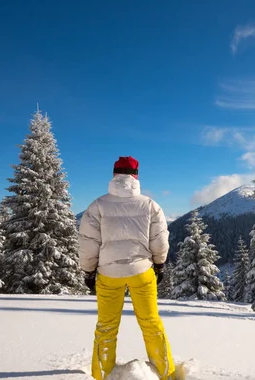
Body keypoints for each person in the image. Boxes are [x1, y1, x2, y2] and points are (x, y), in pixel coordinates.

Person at [78, 156, 175, 380]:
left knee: (106, 326)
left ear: (114, 174)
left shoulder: (97, 206)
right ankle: (164, 371)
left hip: (108, 273)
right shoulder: (150, 205)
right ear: (136, 175)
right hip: (141, 272)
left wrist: (89, 270)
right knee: (151, 323)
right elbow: (160, 241)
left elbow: (88, 242)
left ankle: (102, 374)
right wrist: (159, 265)